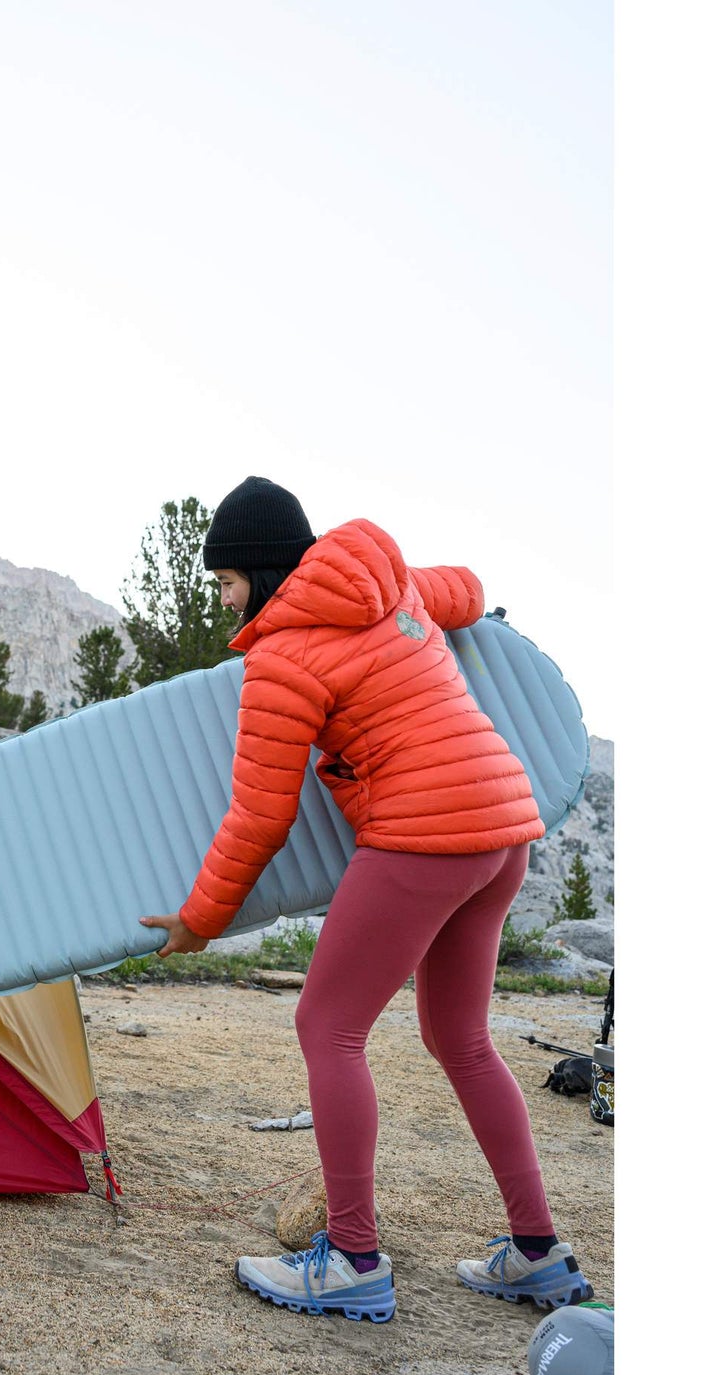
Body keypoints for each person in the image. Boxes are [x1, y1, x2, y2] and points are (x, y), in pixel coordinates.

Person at [140, 476, 593, 1324]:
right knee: (460, 1038)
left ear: (265, 572)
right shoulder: (390, 585)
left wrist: (202, 920)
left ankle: (351, 1258)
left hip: (423, 834)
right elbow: (469, 590)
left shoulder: (283, 656)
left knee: (328, 1027)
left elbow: (261, 816)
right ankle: (538, 1251)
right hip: (503, 826)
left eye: (228, 582)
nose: (225, 601)